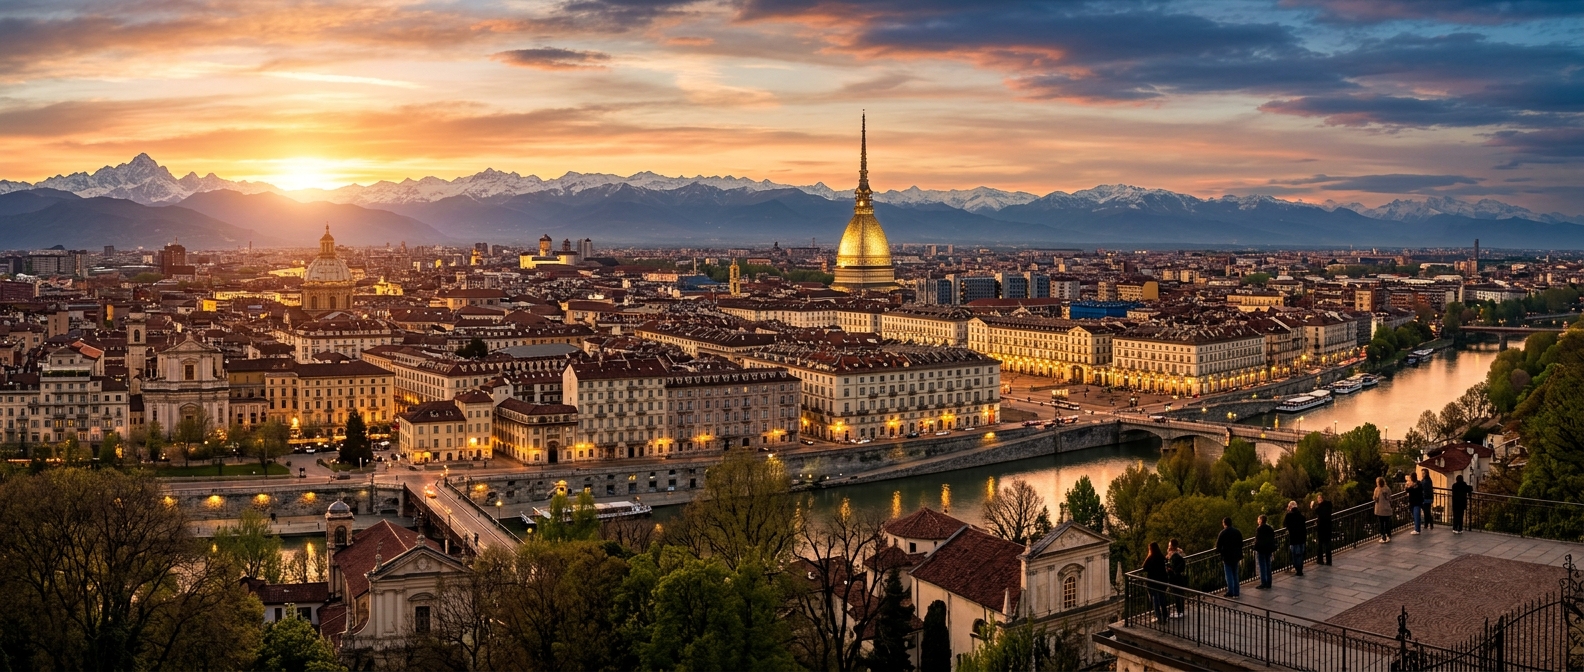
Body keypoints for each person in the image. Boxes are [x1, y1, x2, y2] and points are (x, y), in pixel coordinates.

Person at [1142, 541, 1170, 622]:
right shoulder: (1161, 557)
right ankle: (1165, 616)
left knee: (1155, 600)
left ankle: (1158, 617)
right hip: (1162, 580)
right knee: (1162, 598)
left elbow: (1144, 567)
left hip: (1153, 582)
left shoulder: (1150, 558)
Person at [1216, 517, 1243, 598]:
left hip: (1227, 557)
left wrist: (1222, 552)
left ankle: (1230, 591)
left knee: (1229, 575)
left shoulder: (1222, 533)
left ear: (1224, 523)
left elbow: (1218, 546)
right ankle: (1236, 592)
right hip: (1236, 556)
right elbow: (1241, 544)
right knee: (1235, 574)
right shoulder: (1237, 532)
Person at [1283, 500, 1307, 577]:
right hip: (1302, 538)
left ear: (1290, 507)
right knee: (1300, 555)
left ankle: (1298, 570)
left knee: (1295, 555)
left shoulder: (1289, 516)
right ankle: (1300, 569)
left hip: (1294, 538)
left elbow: (1285, 524)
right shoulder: (1301, 516)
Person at [1254, 514, 1276, 589]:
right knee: (1268, 565)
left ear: (1261, 520)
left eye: (1258, 519)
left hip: (1261, 550)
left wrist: (1255, 546)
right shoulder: (1270, 528)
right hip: (1269, 549)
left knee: (1262, 566)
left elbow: (1258, 539)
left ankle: (1263, 582)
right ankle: (1269, 582)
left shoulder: (1259, 529)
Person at [1167, 538, 1187, 617]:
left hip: (1174, 577)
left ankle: (1179, 611)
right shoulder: (1181, 553)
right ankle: (1181, 610)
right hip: (1181, 576)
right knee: (1181, 593)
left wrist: (1169, 569)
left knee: (1176, 594)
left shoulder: (1172, 555)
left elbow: (1171, 565)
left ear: (1171, 545)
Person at [1313, 492, 1334, 566]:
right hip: (1328, 527)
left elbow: (1316, 510)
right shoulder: (1329, 504)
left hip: (1321, 527)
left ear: (1321, 498)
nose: (1318, 500)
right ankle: (1329, 561)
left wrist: (1312, 505)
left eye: (1318, 498)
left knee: (1320, 544)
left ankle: (1320, 560)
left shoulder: (1320, 507)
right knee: (1328, 544)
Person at [1374, 477, 1394, 543]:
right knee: (1387, 523)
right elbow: (1390, 498)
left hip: (1380, 509)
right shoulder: (1387, 489)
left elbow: (1376, 499)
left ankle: (1383, 537)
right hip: (1387, 508)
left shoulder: (1377, 490)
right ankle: (1388, 535)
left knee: (1381, 524)